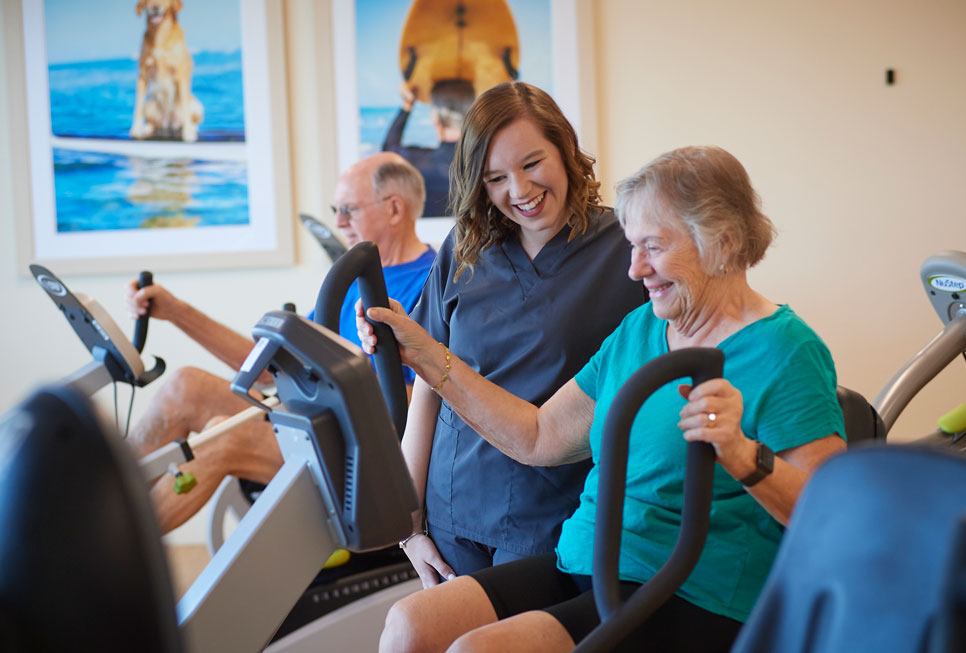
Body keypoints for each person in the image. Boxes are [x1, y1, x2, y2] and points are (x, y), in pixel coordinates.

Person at [359, 145, 847, 651]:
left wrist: (745, 456)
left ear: (720, 242)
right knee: (409, 625)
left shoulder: (785, 350)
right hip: (585, 560)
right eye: (632, 247)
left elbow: (834, 517)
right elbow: (539, 436)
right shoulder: (641, 330)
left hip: (690, 591)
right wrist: (427, 357)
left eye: (653, 248)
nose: (635, 269)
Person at [372, 81, 648, 589]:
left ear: (566, 151)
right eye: (496, 177)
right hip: (451, 507)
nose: (518, 191)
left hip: (554, 514)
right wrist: (409, 522)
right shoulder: (466, 248)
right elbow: (430, 381)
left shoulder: (626, 250)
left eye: (532, 164)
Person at [126, 152, 436, 532]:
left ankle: (111, 560)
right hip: (311, 426)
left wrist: (345, 380)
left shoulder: (429, 286)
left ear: (393, 209)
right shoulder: (356, 282)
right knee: (183, 386)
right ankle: (91, 519)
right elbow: (263, 368)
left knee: (225, 432)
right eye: (336, 209)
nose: (338, 222)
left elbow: (423, 402)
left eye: (348, 209)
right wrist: (175, 311)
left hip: (361, 456)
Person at [383, 79, 475, 217]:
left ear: (435, 118)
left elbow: (388, 151)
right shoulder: (485, 159)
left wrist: (407, 105)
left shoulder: (421, 162)